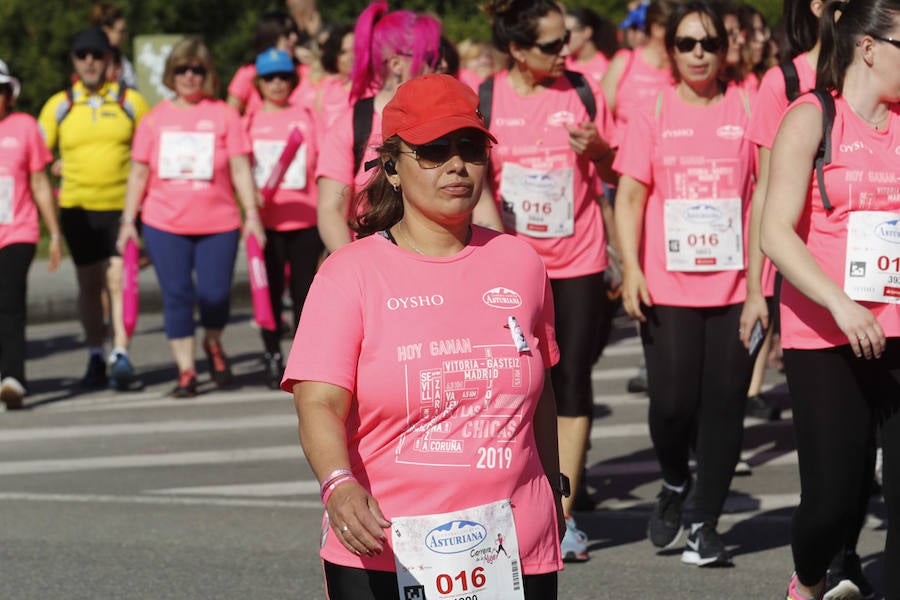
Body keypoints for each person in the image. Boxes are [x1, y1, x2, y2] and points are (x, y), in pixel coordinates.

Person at [284, 73, 563, 600]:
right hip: (385, 548)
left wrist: (553, 489)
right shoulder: (350, 272)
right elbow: (317, 402)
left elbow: (540, 389)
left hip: (514, 548)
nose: (457, 164)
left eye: (471, 148)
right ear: (391, 166)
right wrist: (338, 488)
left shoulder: (521, 262)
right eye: (434, 151)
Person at [760, 0, 900, 596]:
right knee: (833, 502)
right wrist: (841, 305)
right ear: (869, 47)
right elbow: (773, 232)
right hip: (824, 333)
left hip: (897, 329)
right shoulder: (811, 116)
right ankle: (810, 578)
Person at [614, 0, 758, 567]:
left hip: (736, 287)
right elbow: (629, 196)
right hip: (667, 284)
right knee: (673, 404)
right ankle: (675, 481)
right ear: (671, 51)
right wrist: (631, 268)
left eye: (709, 43)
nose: (698, 53)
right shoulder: (652, 108)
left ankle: (705, 522)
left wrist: (760, 285)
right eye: (686, 44)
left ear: (725, 50)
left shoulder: (748, 106)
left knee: (724, 406)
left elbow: (767, 194)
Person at [481, 0, 618, 562]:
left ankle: (561, 516)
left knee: (573, 377)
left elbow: (615, 172)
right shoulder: (487, 97)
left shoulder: (584, 91)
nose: (566, 52)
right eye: (550, 45)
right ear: (516, 49)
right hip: (511, 265)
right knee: (512, 382)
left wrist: (601, 151)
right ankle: (506, 499)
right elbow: (474, 178)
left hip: (578, 261)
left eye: (567, 41)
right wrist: (496, 249)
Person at [117, 38, 264, 398]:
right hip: (164, 223)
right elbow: (138, 174)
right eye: (182, 69)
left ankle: (213, 343)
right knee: (177, 295)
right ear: (171, 75)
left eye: (197, 69)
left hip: (219, 223)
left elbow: (241, 169)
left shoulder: (224, 115)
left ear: (207, 74)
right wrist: (127, 222)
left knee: (215, 295)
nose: (189, 76)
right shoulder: (154, 120)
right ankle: (186, 371)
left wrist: (253, 216)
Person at [38, 27, 149, 391]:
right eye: (82, 55)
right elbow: (35, 153)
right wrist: (51, 164)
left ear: (109, 60)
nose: (89, 62)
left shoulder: (130, 101)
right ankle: (94, 354)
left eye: (96, 55)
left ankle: (121, 352)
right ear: (73, 61)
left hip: (121, 209)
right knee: (89, 284)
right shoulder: (60, 104)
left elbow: (152, 149)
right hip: (77, 209)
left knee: (118, 280)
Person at [315, 1, 442, 253]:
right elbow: (331, 210)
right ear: (396, 65)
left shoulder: (443, 118)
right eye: (428, 58)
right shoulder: (352, 124)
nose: (439, 66)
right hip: (373, 269)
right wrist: (355, 273)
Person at [244, 48, 321, 389]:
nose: (277, 84)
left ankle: (303, 358)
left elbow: (320, 164)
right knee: (269, 293)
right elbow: (239, 171)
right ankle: (272, 353)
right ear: (258, 83)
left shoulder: (306, 116)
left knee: (306, 295)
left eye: (284, 77)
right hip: (267, 224)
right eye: (269, 78)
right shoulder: (250, 120)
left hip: (305, 219)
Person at [0, 60, 62, 411]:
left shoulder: (24, 127)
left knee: (9, 302)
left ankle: (14, 378)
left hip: (17, 230)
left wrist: (54, 234)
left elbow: (40, 182)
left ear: (8, 95)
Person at [601, 0, 676, 141]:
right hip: (622, 154)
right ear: (656, 28)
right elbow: (601, 113)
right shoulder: (624, 61)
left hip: (665, 155)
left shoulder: (680, 67)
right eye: (675, 28)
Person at [227, 12, 307, 118]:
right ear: (271, 36)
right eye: (287, 34)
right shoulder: (249, 72)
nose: (294, 38)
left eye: (284, 77)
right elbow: (230, 113)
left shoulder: (306, 71)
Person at [564, 7, 619, 90]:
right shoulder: (561, 64)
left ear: (587, 32)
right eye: (563, 31)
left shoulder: (610, 63)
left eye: (569, 31)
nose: (564, 36)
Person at [313, 24, 353, 130]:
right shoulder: (324, 93)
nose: (351, 56)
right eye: (343, 52)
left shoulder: (376, 89)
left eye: (355, 49)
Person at [90, 3, 137, 89]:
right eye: (121, 31)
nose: (124, 37)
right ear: (105, 31)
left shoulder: (124, 64)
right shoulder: (86, 61)